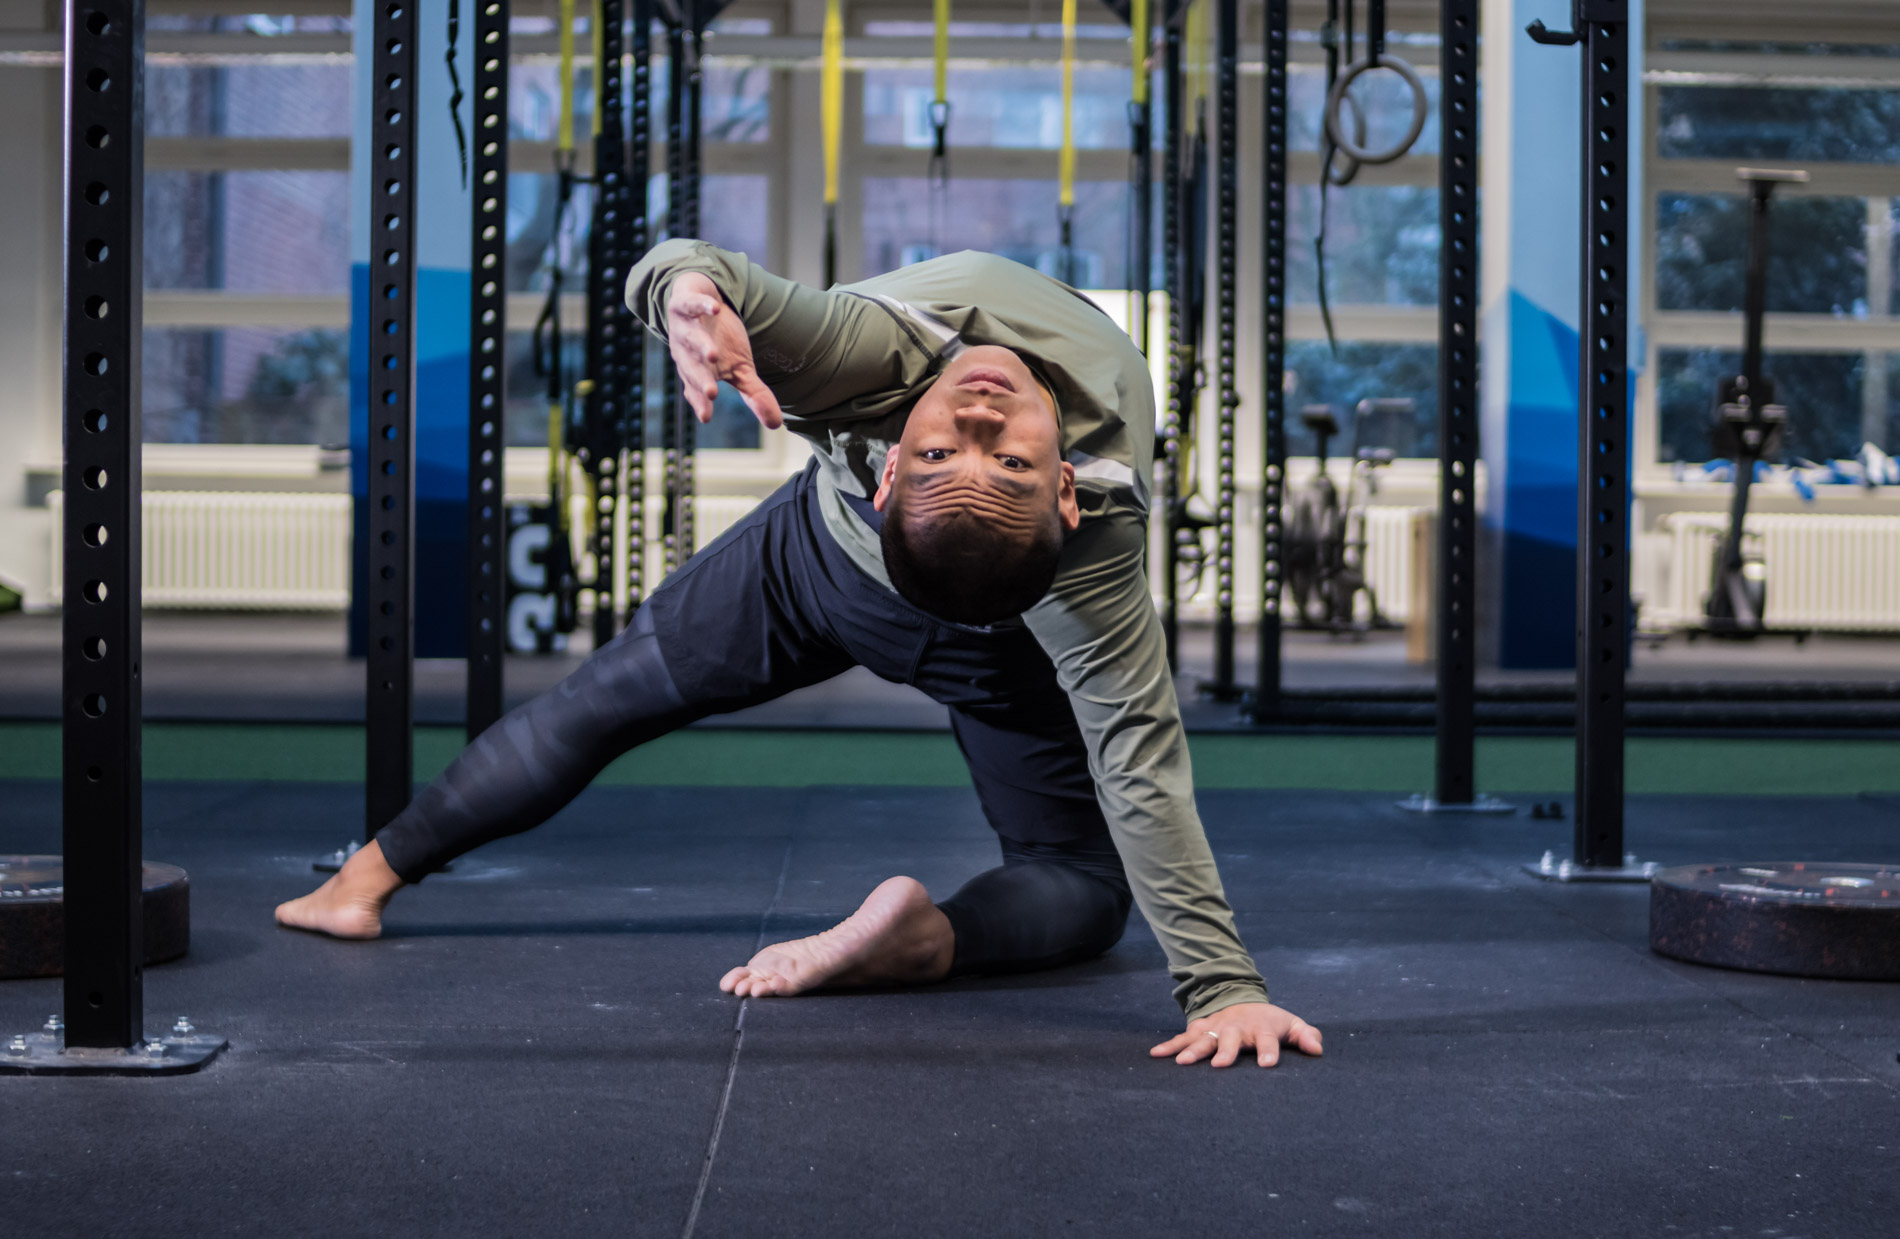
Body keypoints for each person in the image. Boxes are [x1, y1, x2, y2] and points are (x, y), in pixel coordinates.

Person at [277, 241, 1324, 1070]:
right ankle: (934, 942)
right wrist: (683, 301)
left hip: (854, 579)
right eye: (943, 452)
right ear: (883, 474)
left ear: (1066, 496)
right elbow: (688, 268)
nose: (978, 414)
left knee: (602, 698)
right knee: (1081, 888)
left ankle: (358, 886)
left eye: (1002, 459)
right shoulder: (881, 372)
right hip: (882, 587)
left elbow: (1141, 766)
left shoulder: (1050, 527)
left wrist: (1225, 987)